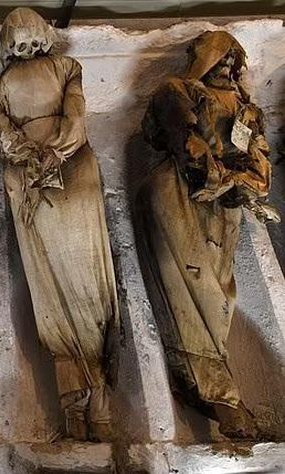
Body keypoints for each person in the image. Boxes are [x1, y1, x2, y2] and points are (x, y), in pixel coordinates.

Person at [0, 7, 119, 441]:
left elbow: (76, 116)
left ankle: (100, 393)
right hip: (28, 180)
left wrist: (55, 152)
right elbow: (4, 133)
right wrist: (28, 158)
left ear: (44, 37)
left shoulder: (67, 68)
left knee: (87, 281)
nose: (26, 48)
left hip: (71, 168)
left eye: (32, 39)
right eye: (18, 42)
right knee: (49, 286)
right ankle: (73, 401)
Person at [139, 30, 279, 439]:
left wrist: (242, 181)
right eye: (220, 57)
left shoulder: (248, 109)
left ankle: (205, 385)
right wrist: (228, 176)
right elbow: (188, 146)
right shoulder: (177, 90)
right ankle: (220, 394)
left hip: (225, 206)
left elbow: (261, 165)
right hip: (178, 194)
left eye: (234, 60)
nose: (227, 66)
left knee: (220, 295)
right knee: (188, 286)